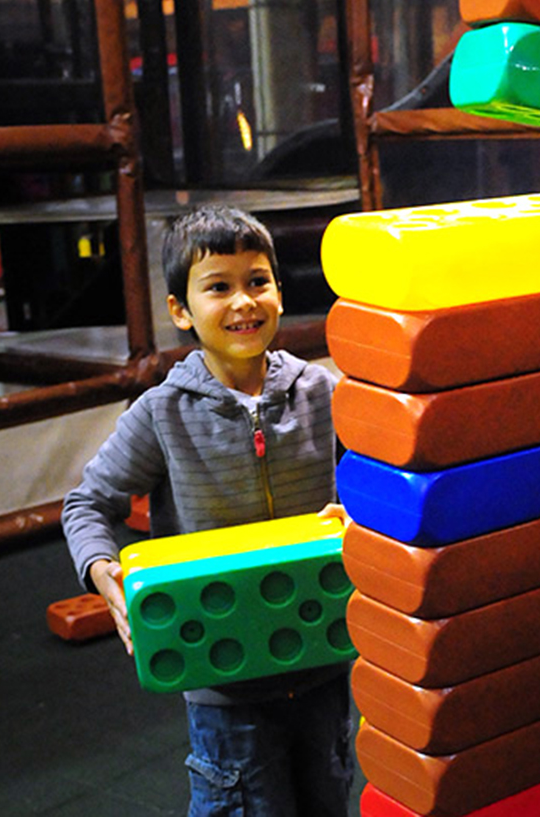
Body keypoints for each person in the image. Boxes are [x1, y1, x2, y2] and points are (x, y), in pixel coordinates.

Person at [61, 204, 354, 817]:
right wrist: (103, 573)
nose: (243, 301)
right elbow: (88, 503)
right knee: (243, 802)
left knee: (327, 796)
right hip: (226, 683)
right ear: (181, 310)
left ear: (279, 292)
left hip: (323, 660)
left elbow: (373, 478)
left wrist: (358, 514)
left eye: (258, 281)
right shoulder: (161, 413)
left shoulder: (321, 392)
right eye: (218, 287)